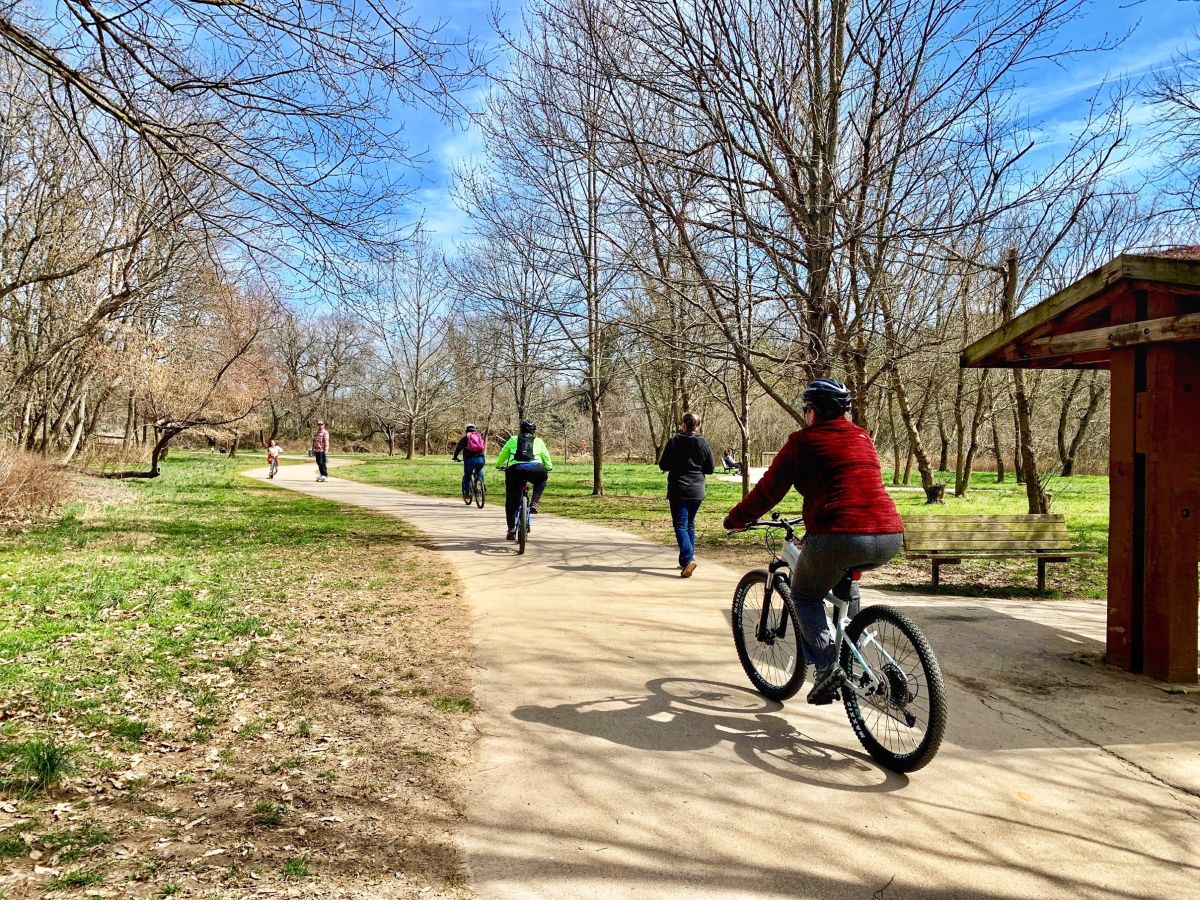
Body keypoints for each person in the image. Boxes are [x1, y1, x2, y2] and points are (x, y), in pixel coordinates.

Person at [722, 378, 904, 705]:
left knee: (804, 596)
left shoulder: (803, 442)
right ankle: (854, 645)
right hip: (890, 534)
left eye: (806, 409)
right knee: (845, 579)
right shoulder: (863, 437)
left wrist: (736, 518)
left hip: (841, 535)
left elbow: (768, 492)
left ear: (813, 411)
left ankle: (826, 668)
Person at [659, 413, 715, 577]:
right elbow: (710, 469)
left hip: (679, 489)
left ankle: (689, 558)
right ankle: (685, 561)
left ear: (683, 424)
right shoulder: (704, 443)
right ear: (698, 425)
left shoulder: (674, 441)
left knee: (680, 525)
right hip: (697, 490)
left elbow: (663, 464)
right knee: (689, 523)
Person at [495, 420, 553, 541]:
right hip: (535, 469)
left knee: (511, 500)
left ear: (520, 429)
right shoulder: (539, 441)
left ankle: (511, 529)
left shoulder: (513, 439)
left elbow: (503, 454)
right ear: (533, 430)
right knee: (542, 479)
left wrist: (498, 465)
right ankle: (534, 502)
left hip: (515, 470)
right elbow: (546, 457)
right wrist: (548, 467)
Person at [452, 424, 487, 501]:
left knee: (467, 476)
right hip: (481, 459)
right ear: (475, 430)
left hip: (469, 460)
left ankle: (467, 493)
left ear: (466, 431)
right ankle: (482, 485)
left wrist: (455, 457)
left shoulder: (465, 439)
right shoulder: (479, 437)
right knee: (479, 470)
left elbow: (458, 448)